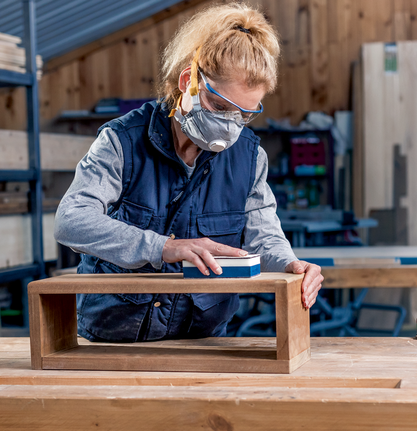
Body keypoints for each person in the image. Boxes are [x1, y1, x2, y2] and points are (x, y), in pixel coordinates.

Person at [55, 3, 323, 343]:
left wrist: (291, 265)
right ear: (188, 82)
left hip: (204, 340)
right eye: (221, 108)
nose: (230, 125)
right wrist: (162, 247)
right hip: (112, 339)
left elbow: (264, 238)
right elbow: (71, 220)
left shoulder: (250, 157)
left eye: (243, 115)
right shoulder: (121, 141)